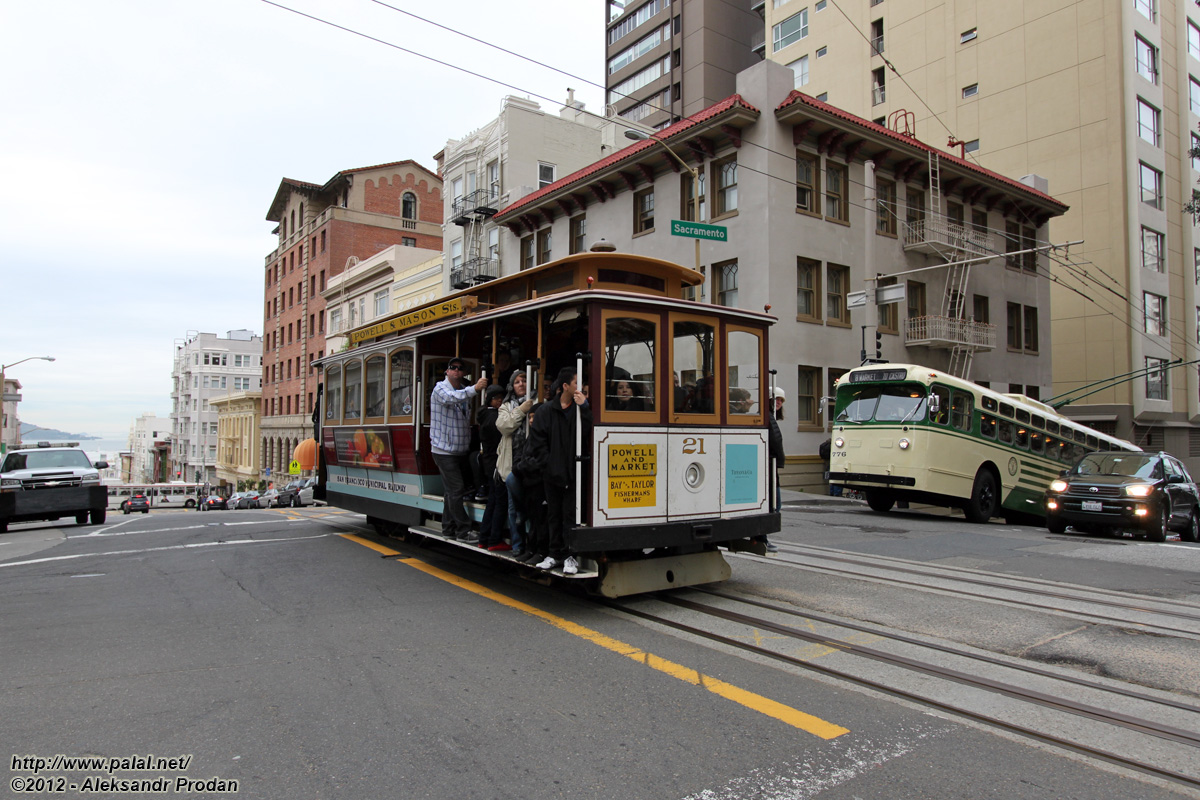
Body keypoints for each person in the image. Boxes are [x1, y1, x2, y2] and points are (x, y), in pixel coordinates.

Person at [527, 365, 592, 574]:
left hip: (573, 472)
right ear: (565, 386)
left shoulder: (579, 410)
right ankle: (555, 554)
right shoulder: (546, 411)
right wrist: (549, 466)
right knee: (553, 515)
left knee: (569, 515)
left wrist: (585, 407)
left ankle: (570, 556)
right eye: (576, 384)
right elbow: (538, 443)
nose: (580, 387)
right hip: (552, 474)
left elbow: (588, 433)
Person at [430, 357, 488, 544]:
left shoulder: (463, 391)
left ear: (463, 373)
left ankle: (448, 529)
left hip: (459, 450)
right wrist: (475, 389)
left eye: (460, 368)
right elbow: (450, 398)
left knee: (451, 492)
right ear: (447, 371)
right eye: (452, 368)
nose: (456, 371)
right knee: (457, 490)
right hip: (443, 450)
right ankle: (463, 530)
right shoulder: (440, 388)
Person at [497, 371, 535, 558]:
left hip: (532, 463)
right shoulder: (506, 405)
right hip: (513, 463)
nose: (521, 384)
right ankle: (518, 545)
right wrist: (521, 410)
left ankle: (533, 546)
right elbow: (504, 426)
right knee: (513, 508)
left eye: (524, 380)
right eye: (517, 382)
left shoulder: (537, 402)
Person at [477, 384, 508, 550]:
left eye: (501, 398)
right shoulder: (493, 417)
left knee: (492, 501)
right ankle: (494, 539)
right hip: (495, 463)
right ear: (490, 399)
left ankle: (484, 538)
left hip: (488, 462)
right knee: (499, 501)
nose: (500, 401)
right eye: (497, 398)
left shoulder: (484, 415)